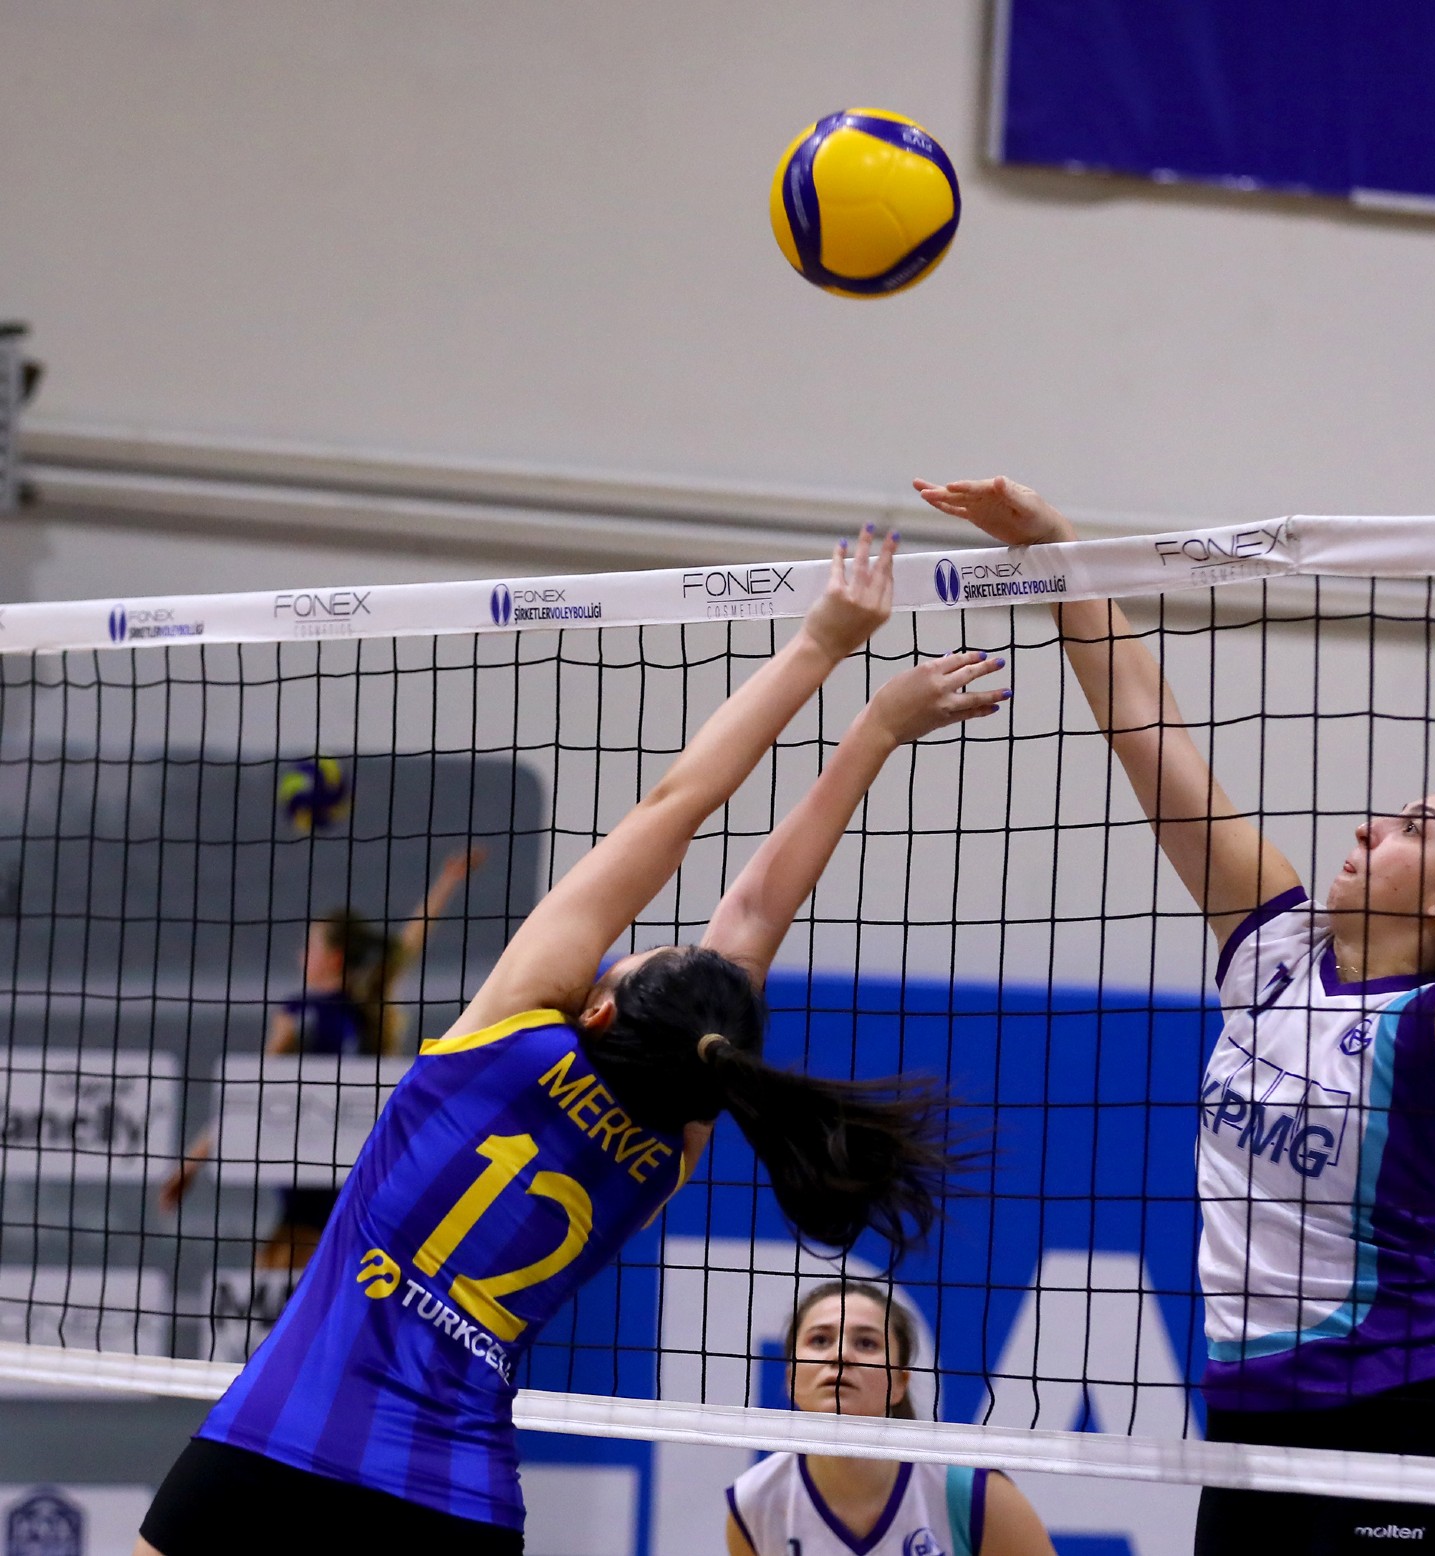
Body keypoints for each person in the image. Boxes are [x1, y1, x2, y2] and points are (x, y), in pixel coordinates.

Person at [137, 530, 1008, 1556]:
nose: (631, 949)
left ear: (599, 1010)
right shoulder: (669, 1147)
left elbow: (678, 805)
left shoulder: (505, 1041)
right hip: (453, 1501)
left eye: (637, 959)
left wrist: (823, 644)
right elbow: (754, 915)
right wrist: (876, 735)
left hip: (282, 1440)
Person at [915, 478, 1435, 1556]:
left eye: (1410, 828)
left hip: (1393, 1423)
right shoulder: (1275, 952)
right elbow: (1148, 732)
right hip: (1249, 1429)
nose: (1369, 827)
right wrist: (1060, 550)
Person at [157, 846, 485, 1272]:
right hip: (343, 1180)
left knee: (288, 1282)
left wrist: (191, 1163)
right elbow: (407, 946)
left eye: (309, 947)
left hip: (318, 1181)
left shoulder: (318, 1012)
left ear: (333, 958)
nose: (300, 956)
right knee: (305, 1278)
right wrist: (447, 881)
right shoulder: (357, 1010)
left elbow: (250, 1093)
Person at [727, 1279, 1056, 1556]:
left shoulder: (973, 1493)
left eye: (866, 1343)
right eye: (820, 1340)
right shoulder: (755, 1501)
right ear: (790, 1377)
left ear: (899, 1383)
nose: (840, 1355)